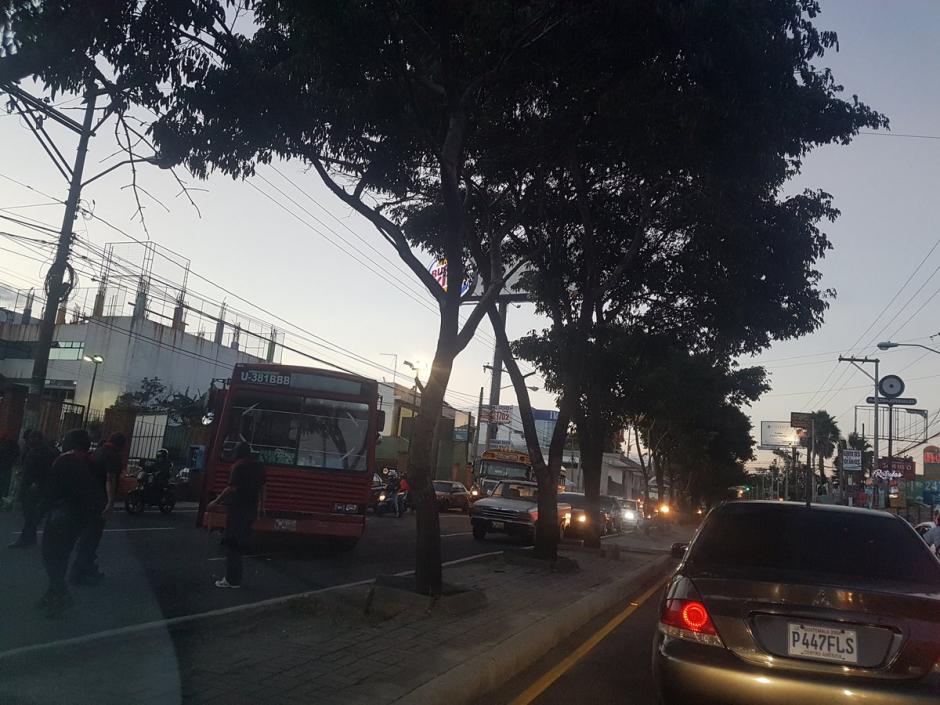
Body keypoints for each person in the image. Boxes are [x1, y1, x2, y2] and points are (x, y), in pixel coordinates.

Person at [38, 428, 97, 617]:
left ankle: (61, 593)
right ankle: (53, 592)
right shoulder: (91, 462)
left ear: (73, 442)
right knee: (62, 556)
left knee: (50, 555)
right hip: (79, 517)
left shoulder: (64, 460)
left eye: (66, 439)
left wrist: (39, 511)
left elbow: (51, 489)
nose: (63, 442)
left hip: (60, 515)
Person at [70, 433, 126, 584]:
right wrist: (110, 502)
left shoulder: (98, 452)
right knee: (91, 538)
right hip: (98, 501)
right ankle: (78, 573)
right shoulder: (112, 456)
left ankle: (88, 568)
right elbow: (110, 479)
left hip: (87, 498)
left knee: (87, 536)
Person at [208, 442, 265, 589]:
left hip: (237, 510)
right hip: (251, 510)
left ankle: (231, 579)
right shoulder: (258, 467)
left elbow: (231, 488)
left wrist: (215, 501)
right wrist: (261, 506)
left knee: (231, 544)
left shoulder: (238, 467)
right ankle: (235, 578)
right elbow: (263, 488)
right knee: (240, 545)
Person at [8, 431, 57, 548]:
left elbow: (46, 471)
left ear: (37, 439)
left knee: (30, 514)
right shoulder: (34, 451)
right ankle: (30, 538)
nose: (29, 441)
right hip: (30, 485)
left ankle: (25, 539)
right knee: (29, 514)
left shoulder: (44, 452)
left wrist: (37, 482)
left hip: (35, 487)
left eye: (31, 438)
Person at [0, 430, 21, 507]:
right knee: (4, 483)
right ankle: (2, 498)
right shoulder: (12, 444)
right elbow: (17, 454)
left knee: (4, 483)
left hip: (5, 467)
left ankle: (2, 498)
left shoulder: (9, 444)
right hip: (6, 467)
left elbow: (16, 454)